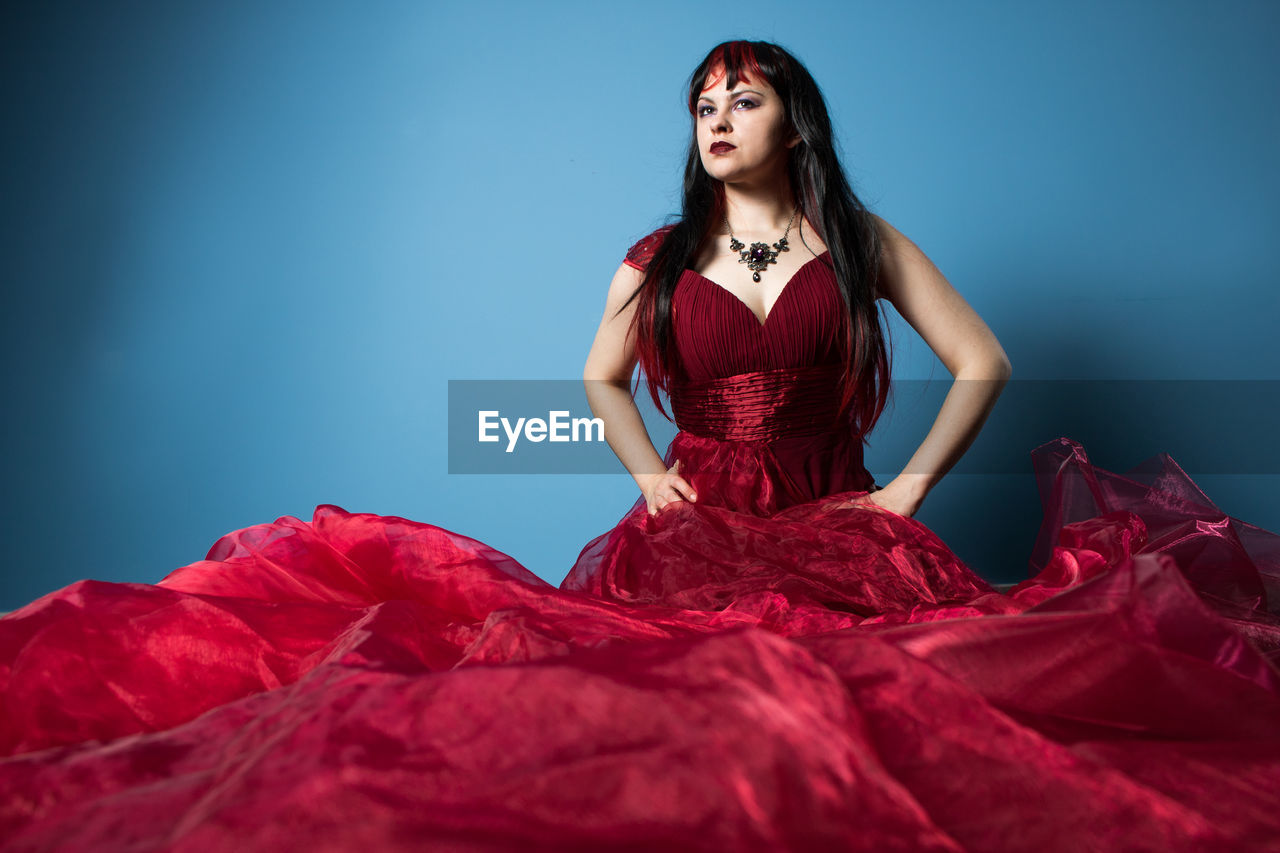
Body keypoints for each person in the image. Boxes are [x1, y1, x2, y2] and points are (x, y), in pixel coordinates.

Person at [2, 39, 1279, 853]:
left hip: (844, 531)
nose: (715, 118)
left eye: (743, 98)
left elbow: (984, 359)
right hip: (688, 534)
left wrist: (906, 491)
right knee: (684, 730)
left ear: (795, 123)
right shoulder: (654, 258)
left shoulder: (864, 239)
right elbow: (598, 382)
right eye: (701, 105)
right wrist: (647, 476)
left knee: (898, 727)